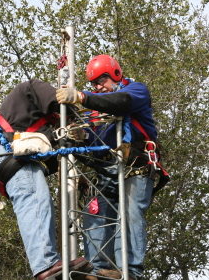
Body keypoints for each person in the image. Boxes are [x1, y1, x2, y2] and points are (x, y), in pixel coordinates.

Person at [56, 55, 160, 280]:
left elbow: (120, 103)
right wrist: (80, 137)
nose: (98, 87)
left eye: (101, 80)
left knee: (130, 212)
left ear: (115, 74)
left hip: (137, 165)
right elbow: (96, 148)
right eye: (93, 84)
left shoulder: (136, 91)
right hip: (109, 169)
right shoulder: (96, 113)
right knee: (94, 211)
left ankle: (130, 271)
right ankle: (97, 269)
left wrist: (83, 96)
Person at [0, 79, 93, 280]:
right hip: (7, 155)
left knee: (38, 200)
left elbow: (51, 160)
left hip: (7, 160)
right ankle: (46, 264)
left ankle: (50, 263)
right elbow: (57, 101)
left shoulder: (37, 125)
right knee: (35, 200)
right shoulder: (31, 88)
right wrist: (79, 107)